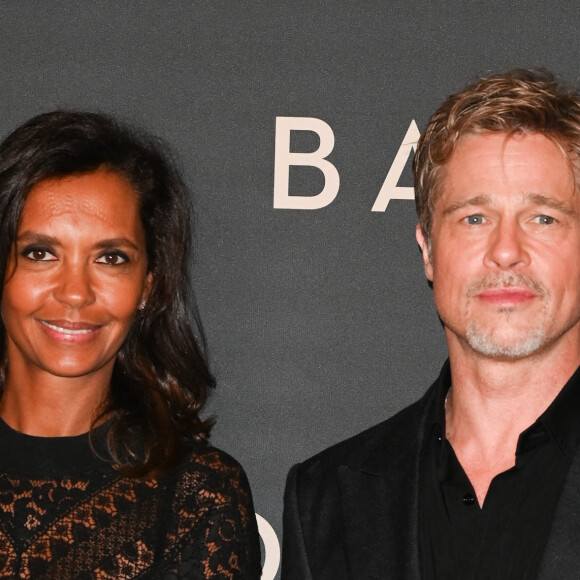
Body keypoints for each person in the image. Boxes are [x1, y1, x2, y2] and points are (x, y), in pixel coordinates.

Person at [282, 68, 580, 579]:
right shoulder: (326, 497)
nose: (506, 251)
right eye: (474, 218)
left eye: (543, 218)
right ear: (427, 250)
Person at [0, 111, 261, 578]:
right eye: (41, 253)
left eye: (110, 258)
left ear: (147, 287)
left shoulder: (196, 497)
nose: (75, 292)